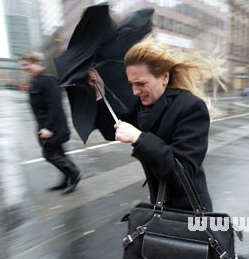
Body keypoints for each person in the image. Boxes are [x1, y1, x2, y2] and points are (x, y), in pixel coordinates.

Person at [88, 37, 213, 211]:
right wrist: (99, 93)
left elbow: (181, 171)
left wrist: (139, 138)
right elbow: (112, 130)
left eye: (141, 83)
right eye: (131, 84)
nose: (135, 91)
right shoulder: (143, 105)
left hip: (189, 209)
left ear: (164, 77)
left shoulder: (191, 107)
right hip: (161, 204)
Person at [19, 52, 82, 195]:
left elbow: (55, 106)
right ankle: (66, 179)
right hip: (45, 126)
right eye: (23, 65)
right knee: (59, 153)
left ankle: (74, 173)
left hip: (53, 127)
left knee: (49, 153)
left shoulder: (47, 80)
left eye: (26, 65)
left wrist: (49, 128)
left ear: (37, 63)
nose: (24, 68)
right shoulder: (36, 80)